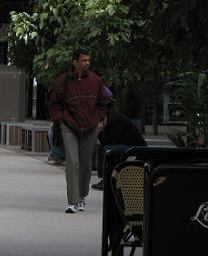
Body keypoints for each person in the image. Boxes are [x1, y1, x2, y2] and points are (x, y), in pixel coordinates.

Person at [49, 48, 107, 214]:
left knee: (86, 165)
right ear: (75, 62)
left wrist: (99, 118)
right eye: (84, 60)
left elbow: (103, 102)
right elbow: (54, 103)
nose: (87, 63)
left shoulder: (96, 81)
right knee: (72, 163)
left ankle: (82, 196)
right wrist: (60, 120)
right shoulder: (63, 81)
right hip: (69, 125)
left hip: (90, 126)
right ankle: (73, 201)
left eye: (88, 60)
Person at [91, 97, 147, 190]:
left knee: (108, 150)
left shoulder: (115, 120)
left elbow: (110, 141)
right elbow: (107, 141)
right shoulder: (110, 119)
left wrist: (100, 131)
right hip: (126, 145)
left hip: (136, 147)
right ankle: (105, 178)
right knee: (102, 147)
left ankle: (108, 180)